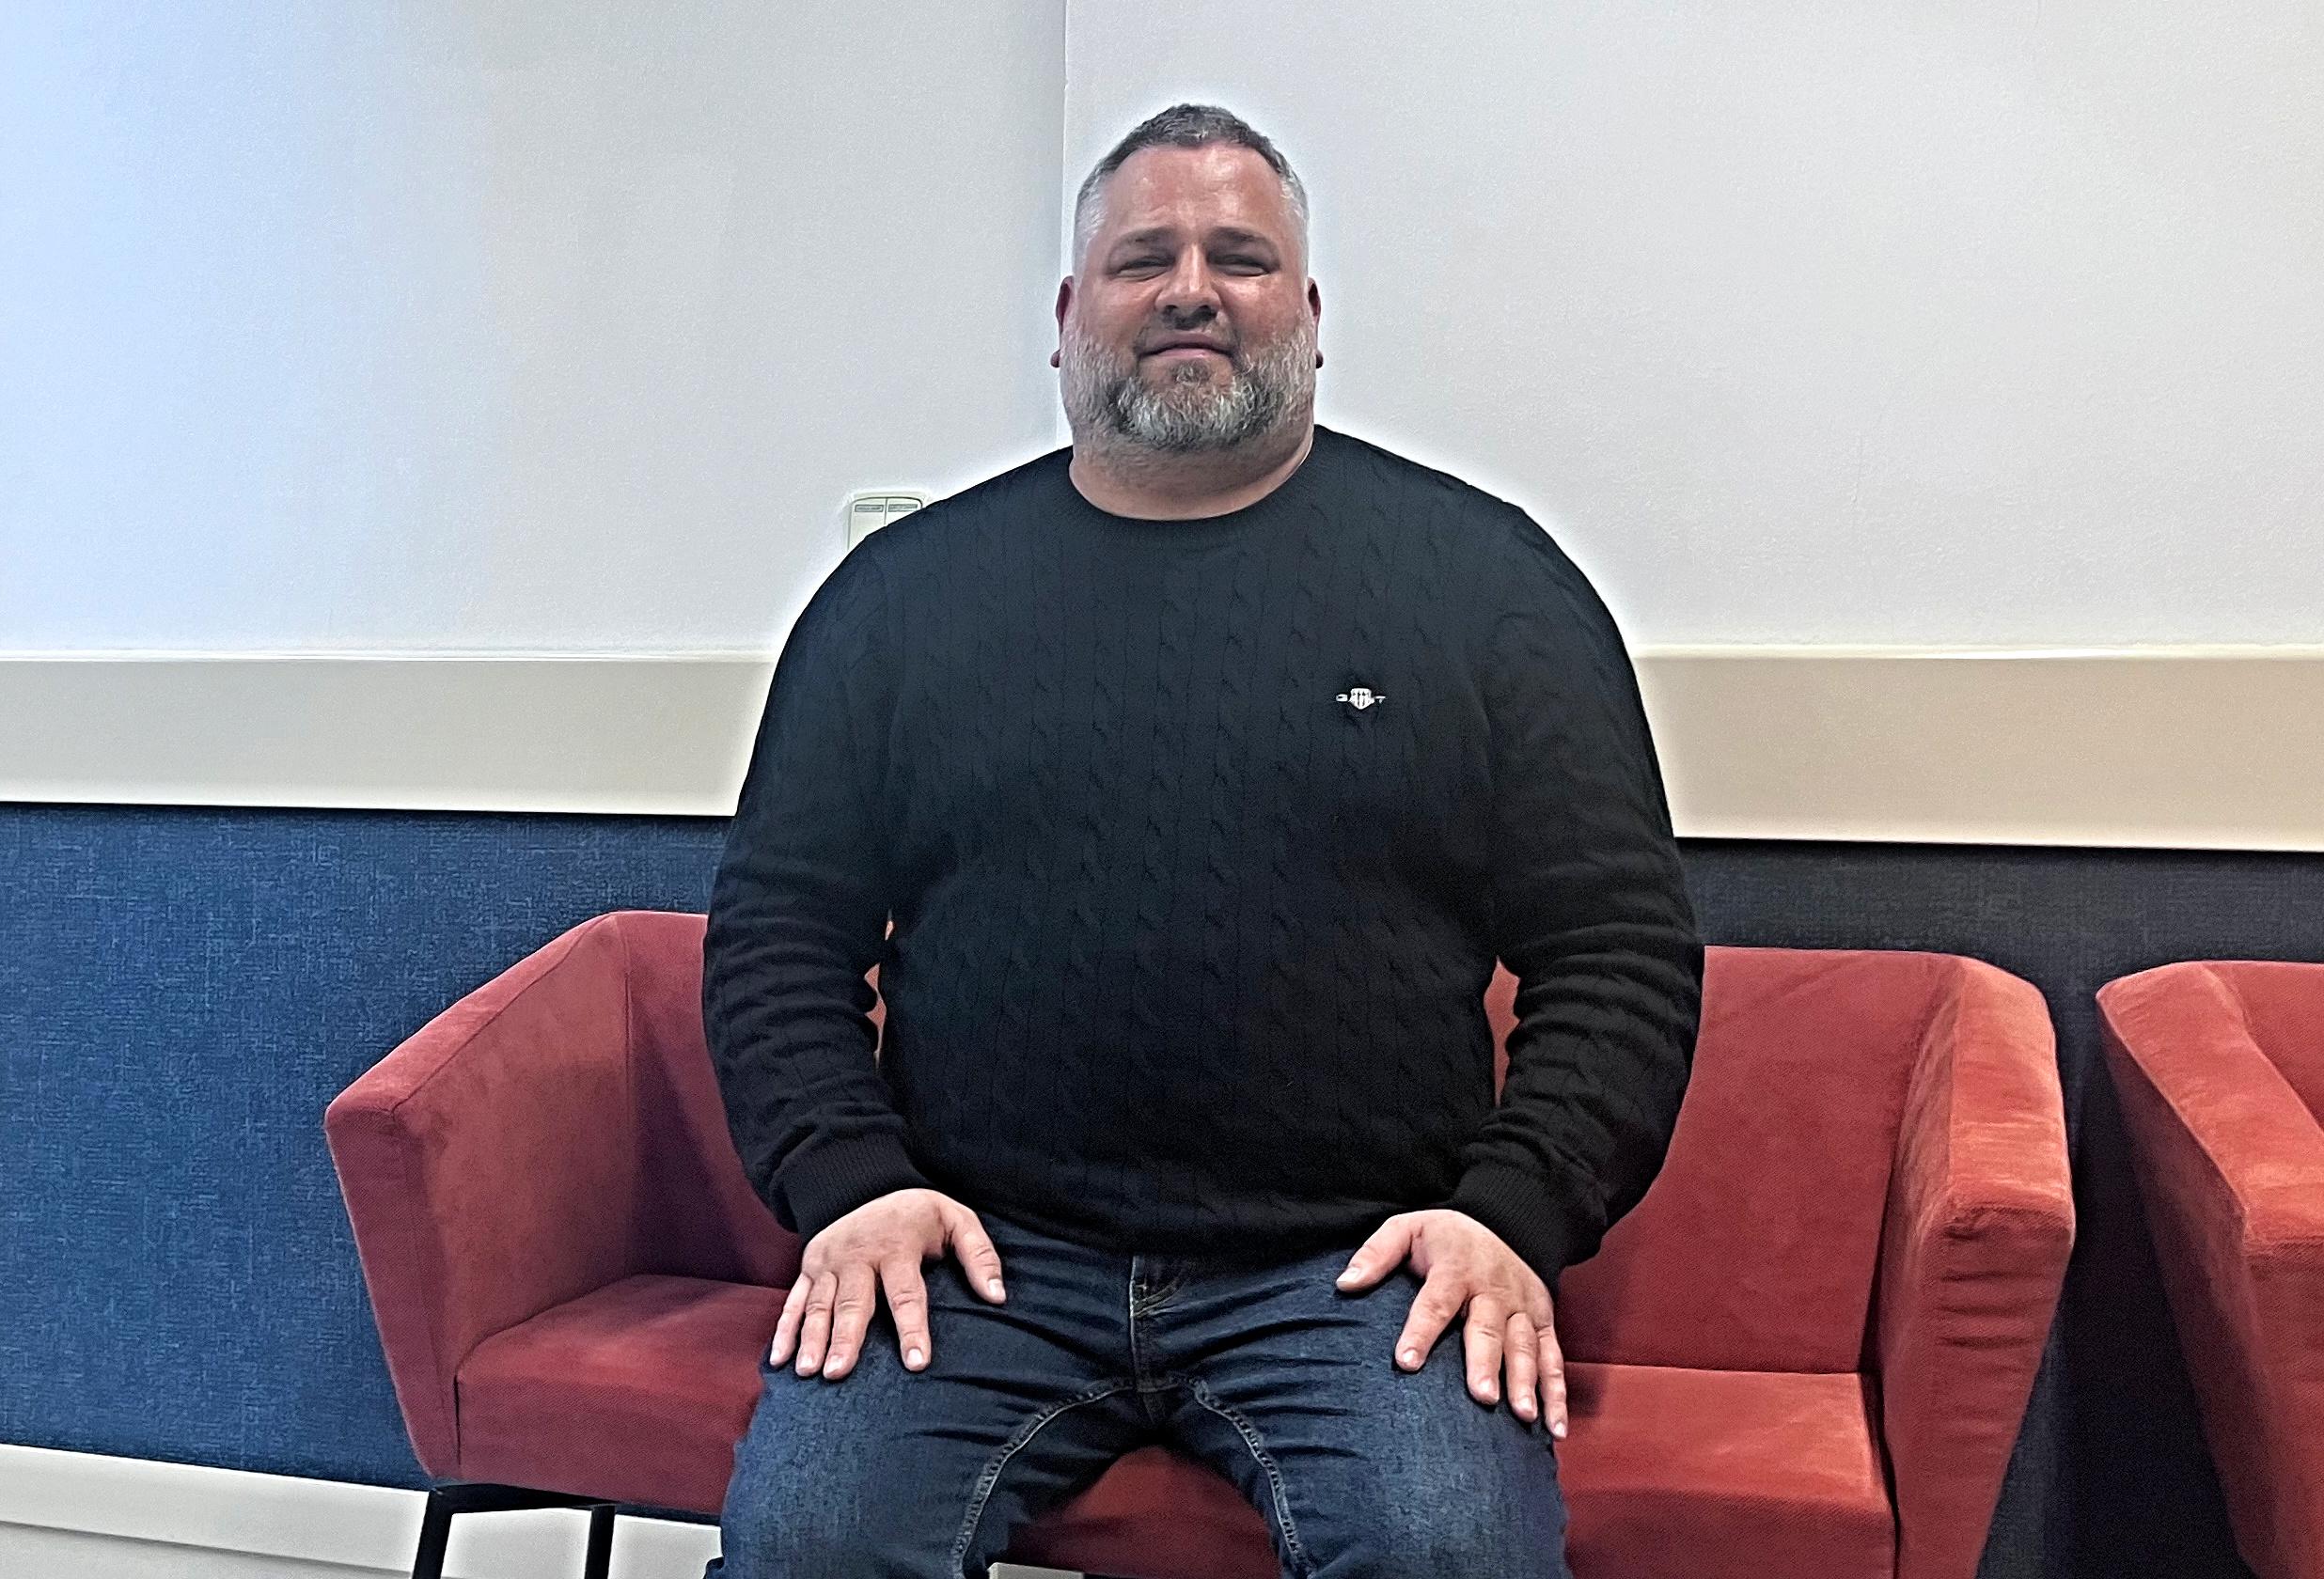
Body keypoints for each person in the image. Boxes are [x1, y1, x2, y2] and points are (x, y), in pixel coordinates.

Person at [700, 102, 1704, 1578]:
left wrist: (1510, 1214)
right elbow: (779, 935)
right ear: (1066, 318)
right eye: (1142, 259)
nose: (1191, 290)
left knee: (1451, 1557)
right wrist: (849, 1184)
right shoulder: (899, 602)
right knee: (807, 1547)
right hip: (977, 1256)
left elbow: (1617, 951)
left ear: (1311, 315)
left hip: (1358, 1272)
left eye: (1240, 258)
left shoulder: (1490, 588)